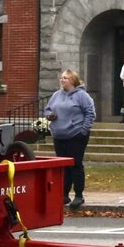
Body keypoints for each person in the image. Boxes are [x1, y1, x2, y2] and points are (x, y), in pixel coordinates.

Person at [45, 69, 95, 211]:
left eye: (65, 78)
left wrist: (83, 130)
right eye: (61, 78)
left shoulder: (82, 96)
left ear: (72, 80)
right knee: (63, 166)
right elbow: (47, 109)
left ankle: (79, 194)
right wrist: (49, 115)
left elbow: (90, 113)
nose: (62, 80)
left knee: (75, 165)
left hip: (76, 135)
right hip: (59, 135)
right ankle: (64, 194)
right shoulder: (56, 95)